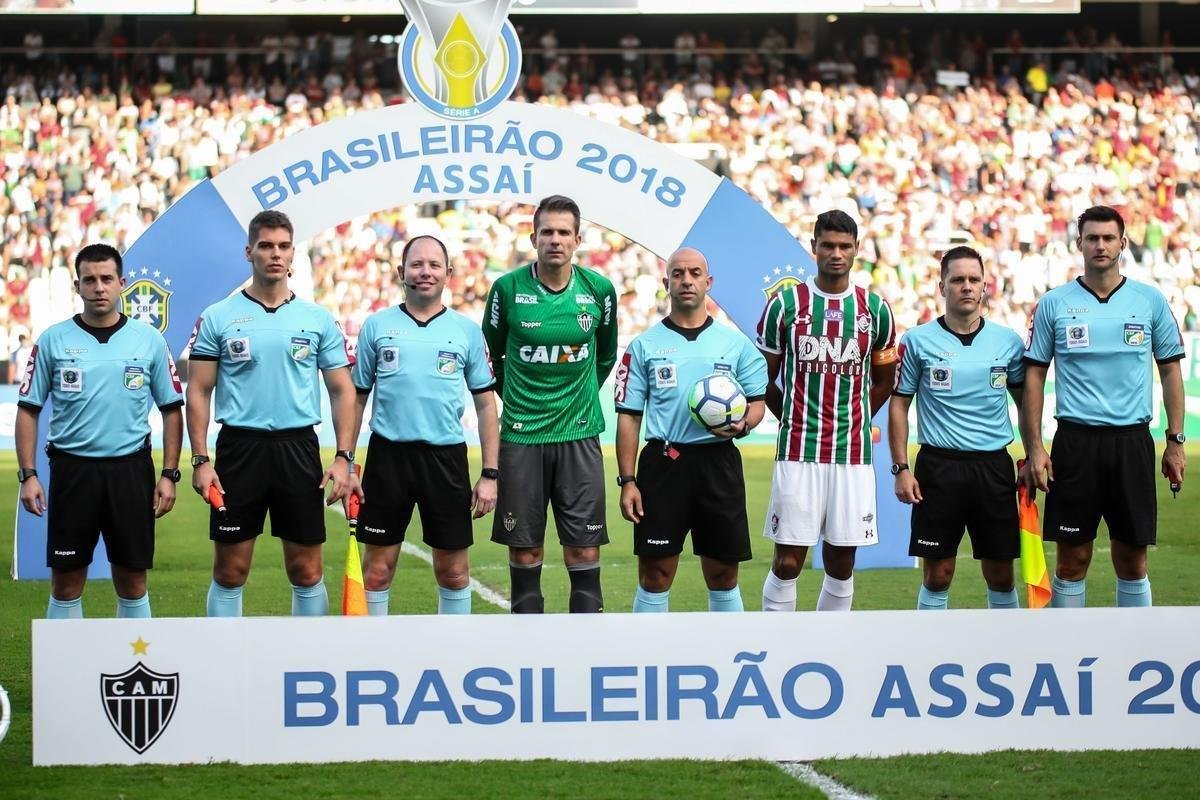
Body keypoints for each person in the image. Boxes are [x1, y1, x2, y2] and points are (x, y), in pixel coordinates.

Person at [187, 210, 358, 617]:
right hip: (238, 449)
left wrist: (343, 457)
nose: (274, 254)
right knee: (231, 570)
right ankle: (225, 662)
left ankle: (307, 659)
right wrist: (200, 460)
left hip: (297, 448)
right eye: (265, 246)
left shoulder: (317, 319)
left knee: (306, 569)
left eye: (283, 246)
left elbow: (342, 390)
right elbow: (198, 390)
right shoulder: (218, 316)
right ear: (249, 252)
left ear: (293, 254)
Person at [1020, 205, 1185, 608]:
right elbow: (1035, 377)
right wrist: (1036, 448)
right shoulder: (1055, 304)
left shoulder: (1149, 301)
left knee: (1132, 559)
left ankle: (1133, 651)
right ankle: (1065, 651)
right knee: (1072, 560)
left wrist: (1175, 440)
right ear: (1078, 244)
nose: (1100, 245)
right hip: (1075, 443)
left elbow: (1170, 373)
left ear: (1123, 243)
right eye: (1092, 237)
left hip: (1132, 441)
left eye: (1108, 238)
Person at [16, 243, 184, 619]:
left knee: (133, 581)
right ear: (78, 286)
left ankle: (137, 669)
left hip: (130, 471)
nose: (99, 287)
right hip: (73, 471)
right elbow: (28, 410)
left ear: (122, 283)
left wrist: (169, 474)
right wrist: (28, 475)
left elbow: (172, 409)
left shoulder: (149, 340)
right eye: (89, 280)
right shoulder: (53, 340)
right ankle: (64, 674)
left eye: (106, 279)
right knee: (67, 582)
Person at [756, 209, 898, 612]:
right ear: (813, 247)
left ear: (856, 250)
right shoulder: (786, 305)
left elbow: (885, 380)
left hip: (852, 456)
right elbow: (763, 379)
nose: (836, 253)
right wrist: (790, 417)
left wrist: (855, 418)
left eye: (844, 246)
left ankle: (828, 645)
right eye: (828, 245)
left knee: (842, 561)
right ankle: (776, 646)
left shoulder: (875, 310)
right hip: (798, 452)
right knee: (788, 561)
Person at [350, 235, 500, 615]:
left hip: (445, 459)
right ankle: (371, 655)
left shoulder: (466, 331)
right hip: (388, 459)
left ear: (448, 274)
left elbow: (485, 406)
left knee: (453, 573)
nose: (425, 272)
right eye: (417, 264)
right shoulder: (377, 326)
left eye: (434, 265)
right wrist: (346, 459)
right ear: (402, 272)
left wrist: (490, 474)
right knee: (378, 571)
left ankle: (453, 654)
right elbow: (356, 397)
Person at [482, 194, 618, 613]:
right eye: (547, 232)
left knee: (584, 552)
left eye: (563, 232)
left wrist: (577, 399)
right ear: (533, 236)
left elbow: (606, 355)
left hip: (580, 437)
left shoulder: (599, 290)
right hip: (521, 439)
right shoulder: (507, 289)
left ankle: (587, 656)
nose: (555, 240)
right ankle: (530, 660)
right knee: (525, 553)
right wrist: (519, 400)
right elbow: (491, 358)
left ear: (578, 239)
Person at [615, 247, 766, 613]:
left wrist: (743, 423)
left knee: (723, 575)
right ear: (667, 282)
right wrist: (628, 481)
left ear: (708, 282)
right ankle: (647, 657)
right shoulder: (644, 345)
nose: (687, 280)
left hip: (718, 463)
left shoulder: (734, 344)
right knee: (655, 573)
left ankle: (730, 656)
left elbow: (758, 403)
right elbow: (629, 416)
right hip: (664, 464)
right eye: (678, 273)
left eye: (695, 273)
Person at [888, 246, 1026, 610]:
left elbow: (1027, 403)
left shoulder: (1007, 342)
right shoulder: (917, 341)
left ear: (985, 287)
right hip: (939, 467)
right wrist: (901, 468)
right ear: (942, 287)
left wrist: (1034, 453)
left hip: (993, 467)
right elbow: (899, 404)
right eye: (958, 279)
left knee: (1000, 573)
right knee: (938, 574)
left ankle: (1004, 651)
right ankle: (928, 654)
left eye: (974, 279)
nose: (966, 286)